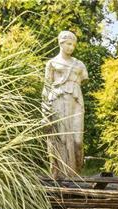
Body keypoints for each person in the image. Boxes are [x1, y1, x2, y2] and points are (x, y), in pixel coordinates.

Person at [43, 30, 88, 178]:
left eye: (73, 45)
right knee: (60, 139)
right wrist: (45, 111)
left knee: (77, 141)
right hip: (57, 100)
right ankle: (60, 174)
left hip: (76, 102)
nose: (71, 47)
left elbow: (84, 78)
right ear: (61, 43)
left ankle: (76, 173)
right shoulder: (52, 63)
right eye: (68, 44)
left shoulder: (79, 64)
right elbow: (46, 87)